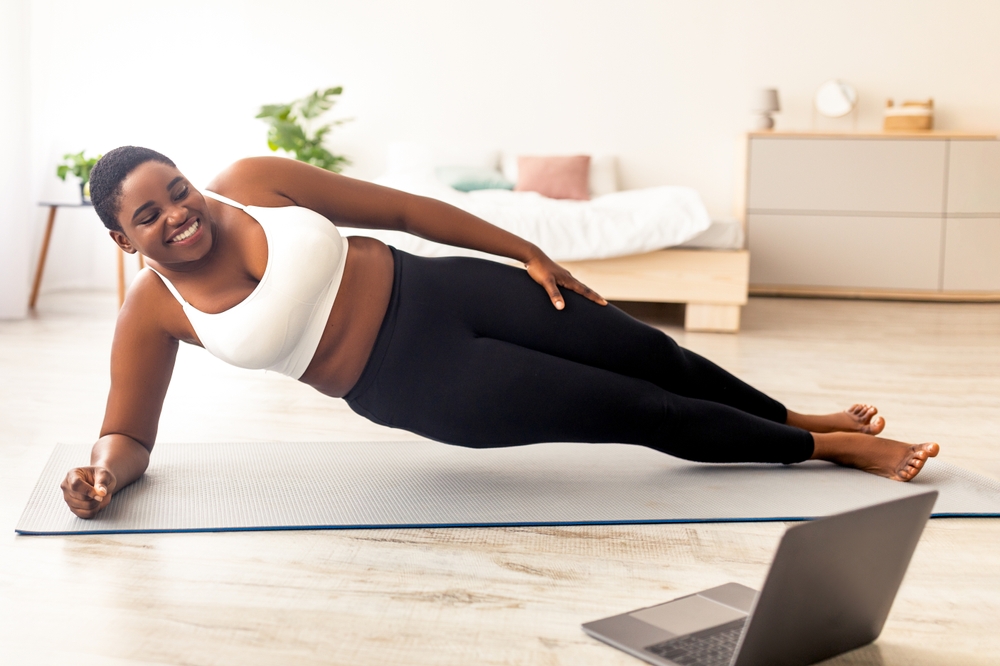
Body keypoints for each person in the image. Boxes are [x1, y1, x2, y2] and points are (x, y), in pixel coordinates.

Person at [60, 146, 939, 519]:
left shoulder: (253, 178)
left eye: (175, 189)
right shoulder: (152, 313)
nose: (178, 213)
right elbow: (129, 433)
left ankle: (796, 418)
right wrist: (102, 476)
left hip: (446, 290)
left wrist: (528, 252)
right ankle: (827, 452)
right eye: (149, 214)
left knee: (646, 350)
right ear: (121, 238)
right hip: (412, 382)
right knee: (632, 407)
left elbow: (404, 208)